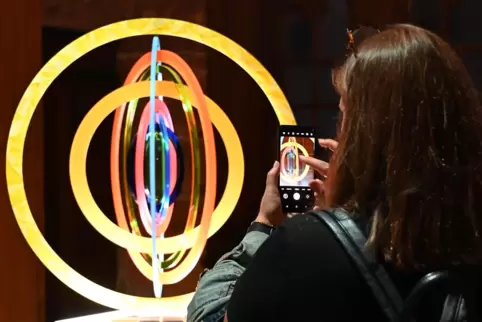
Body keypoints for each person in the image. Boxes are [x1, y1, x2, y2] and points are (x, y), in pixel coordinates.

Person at [187, 24, 482, 322]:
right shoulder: (468, 237)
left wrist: (264, 226)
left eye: (346, 115)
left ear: (367, 136)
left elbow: (208, 315)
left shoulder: (306, 247)